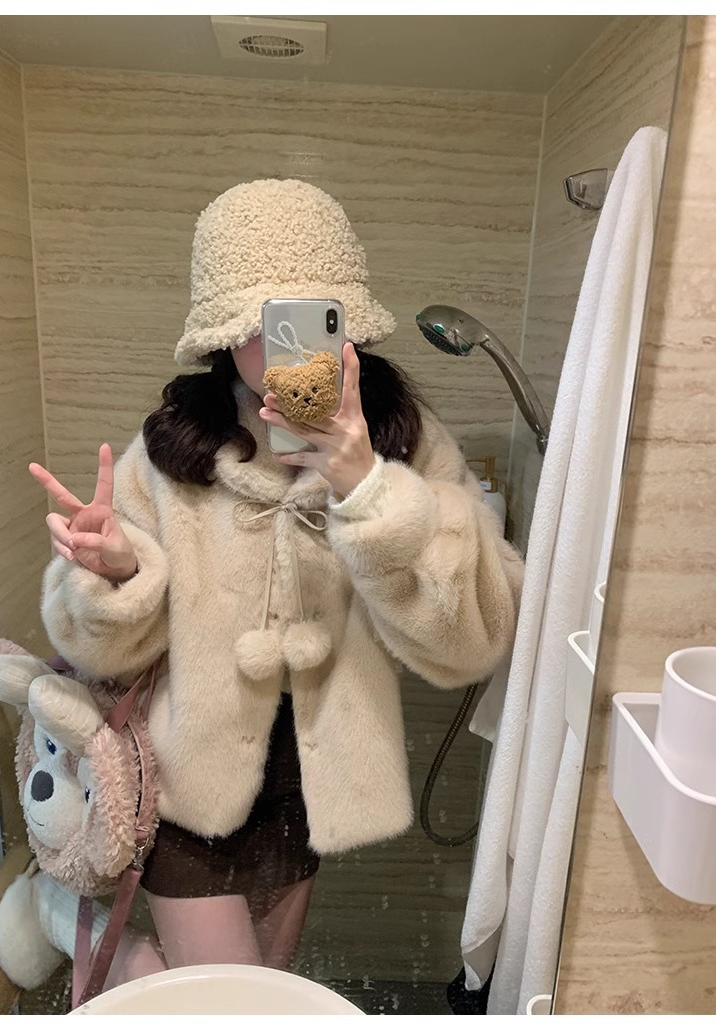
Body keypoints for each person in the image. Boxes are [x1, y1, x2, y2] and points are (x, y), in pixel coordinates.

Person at [29, 178, 524, 987]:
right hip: (187, 781)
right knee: (235, 1003)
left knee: (265, 984)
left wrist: (368, 488)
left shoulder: (401, 435)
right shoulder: (176, 442)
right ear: (221, 333)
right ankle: (85, 937)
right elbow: (101, 648)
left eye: (303, 320)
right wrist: (118, 573)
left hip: (309, 786)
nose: (279, 349)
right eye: (255, 327)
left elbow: (474, 638)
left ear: (345, 321)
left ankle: (90, 943)